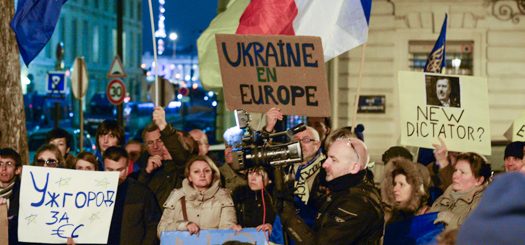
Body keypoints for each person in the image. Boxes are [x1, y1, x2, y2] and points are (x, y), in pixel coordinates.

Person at [281, 127, 384, 244]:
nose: (325, 164)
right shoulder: (341, 189)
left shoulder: (357, 203)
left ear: (354, 167)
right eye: (327, 157)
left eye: (333, 160)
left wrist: (286, 212)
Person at [157, 155, 239, 236]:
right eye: (196, 171)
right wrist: (183, 225)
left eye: (207, 171)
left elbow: (226, 231)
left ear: (213, 174)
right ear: (189, 177)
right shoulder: (177, 196)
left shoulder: (223, 196)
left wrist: (231, 229)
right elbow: (161, 231)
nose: (202, 175)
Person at [137, 106, 195, 208]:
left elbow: (181, 159)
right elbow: (137, 196)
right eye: (150, 143)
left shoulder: (181, 164)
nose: (155, 146)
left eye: (159, 141)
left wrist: (163, 125)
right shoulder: (143, 168)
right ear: (145, 146)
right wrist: (146, 173)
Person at [103, 146, 160, 245]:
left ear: (127, 167)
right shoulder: (94, 192)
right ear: (103, 167)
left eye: (120, 170)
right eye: (110, 170)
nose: (115, 175)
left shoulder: (141, 192)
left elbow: (153, 225)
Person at [429, 152, 491, 231]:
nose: (455, 175)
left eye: (462, 172)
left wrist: (453, 220)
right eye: (455, 170)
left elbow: (479, 234)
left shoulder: (484, 204)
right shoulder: (445, 196)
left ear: (479, 180)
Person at [381, 157, 430, 224]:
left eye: (401, 184)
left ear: (416, 188)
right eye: (395, 184)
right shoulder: (392, 215)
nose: (395, 189)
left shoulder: (427, 216)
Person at [232, 166, 275, 233]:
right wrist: (235, 226)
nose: (253, 178)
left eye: (258, 174)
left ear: (270, 179)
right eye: (250, 173)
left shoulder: (277, 199)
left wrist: (272, 227)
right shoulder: (239, 196)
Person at [0, 148, 22, 245]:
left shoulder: (24, 193)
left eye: (9, 164)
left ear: (17, 170)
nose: (3, 168)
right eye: (0, 164)